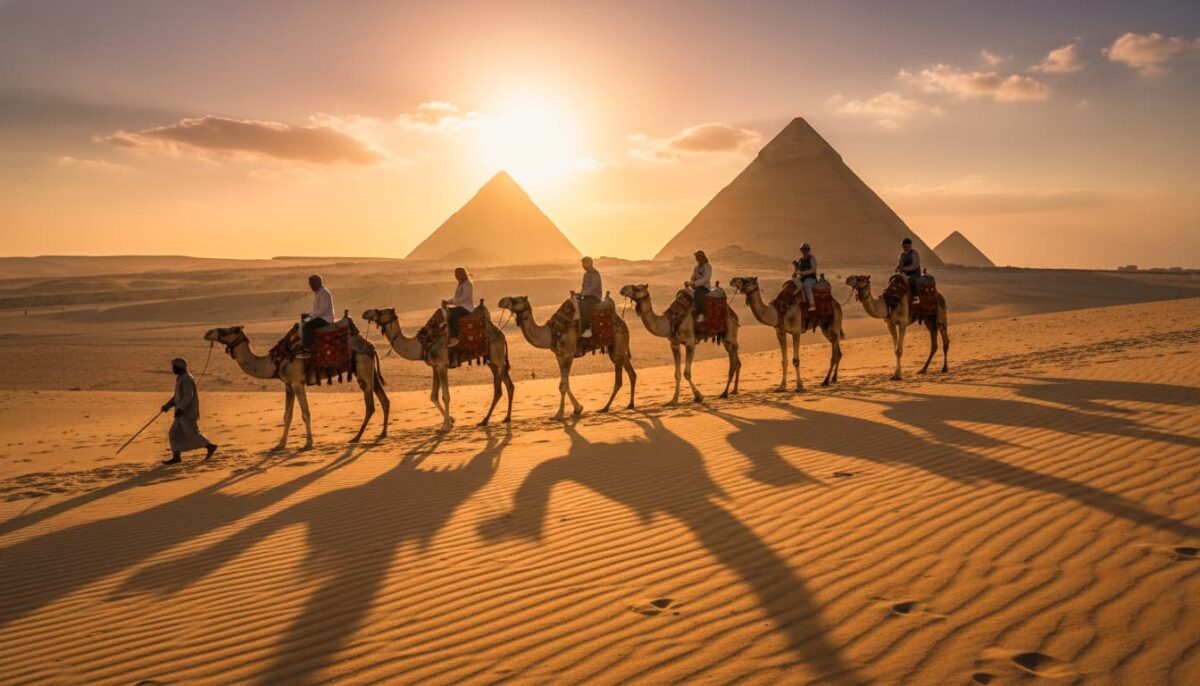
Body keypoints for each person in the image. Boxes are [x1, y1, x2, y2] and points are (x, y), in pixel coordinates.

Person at [160, 357, 217, 465]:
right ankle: (176, 457)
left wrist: (181, 409)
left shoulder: (186, 379)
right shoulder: (181, 378)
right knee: (174, 433)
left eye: (174, 367)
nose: (172, 369)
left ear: (179, 367)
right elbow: (177, 397)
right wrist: (167, 406)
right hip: (181, 413)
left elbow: (188, 396)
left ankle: (210, 446)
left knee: (192, 433)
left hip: (187, 413)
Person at [298, 274, 334, 358]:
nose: (310, 286)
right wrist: (308, 314)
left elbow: (323, 309)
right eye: (310, 284)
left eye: (311, 284)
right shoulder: (319, 293)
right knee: (302, 324)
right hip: (321, 317)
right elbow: (317, 309)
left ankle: (307, 350)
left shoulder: (324, 293)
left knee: (307, 327)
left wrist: (310, 315)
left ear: (317, 283)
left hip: (325, 319)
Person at [442, 267, 474, 347]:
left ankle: (454, 338)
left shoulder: (467, 284)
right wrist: (448, 302)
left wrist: (449, 302)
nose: (455, 276)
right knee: (443, 313)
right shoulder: (461, 284)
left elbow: (464, 297)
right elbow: (457, 298)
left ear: (462, 274)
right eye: (455, 274)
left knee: (452, 316)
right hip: (460, 306)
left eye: (457, 274)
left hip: (466, 308)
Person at [578, 256, 602, 338]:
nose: (583, 265)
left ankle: (588, 329)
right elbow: (584, 287)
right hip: (587, 296)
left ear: (590, 264)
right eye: (582, 264)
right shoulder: (586, 274)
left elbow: (593, 288)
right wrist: (579, 294)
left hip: (594, 297)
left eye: (584, 263)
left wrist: (583, 294)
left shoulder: (595, 273)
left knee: (584, 306)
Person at [687, 250, 712, 323]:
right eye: (696, 257)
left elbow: (706, 278)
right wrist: (690, 283)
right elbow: (692, 277)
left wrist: (695, 284)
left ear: (702, 257)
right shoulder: (696, 267)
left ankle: (700, 314)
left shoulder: (707, 267)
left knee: (698, 293)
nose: (697, 259)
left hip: (704, 289)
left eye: (698, 257)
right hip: (696, 288)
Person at [793, 242, 818, 313]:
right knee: (792, 285)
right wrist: (795, 267)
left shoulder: (812, 258)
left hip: (811, 278)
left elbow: (813, 269)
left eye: (806, 249)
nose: (804, 251)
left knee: (807, 286)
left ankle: (812, 305)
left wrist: (802, 273)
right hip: (802, 279)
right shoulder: (800, 260)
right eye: (803, 249)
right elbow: (797, 271)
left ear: (808, 250)